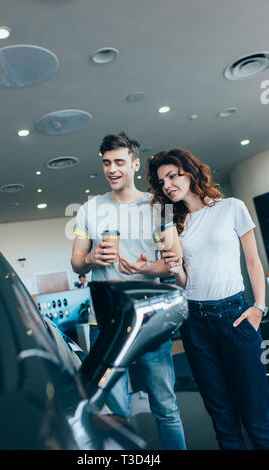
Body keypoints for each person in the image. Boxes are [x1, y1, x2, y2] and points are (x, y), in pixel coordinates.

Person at [147, 147, 269, 450]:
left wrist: (259, 307)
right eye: (162, 182)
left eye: (172, 176)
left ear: (189, 172)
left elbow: (253, 262)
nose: (168, 185)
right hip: (196, 323)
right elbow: (187, 281)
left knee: (257, 416)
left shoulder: (231, 207)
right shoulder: (173, 224)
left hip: (236, 315)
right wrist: (175, 270)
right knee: (222, 419)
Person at [71, 132, 186, 450]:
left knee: (165, 408)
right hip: (105, 323)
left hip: (150, 318)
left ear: (135, 164)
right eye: (107, 162)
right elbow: (76, 262)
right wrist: (90, 258)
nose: (112, 169)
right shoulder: (89, 210)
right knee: (112, 413)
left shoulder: (159, 207)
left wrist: (147, 268)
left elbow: (173, 263)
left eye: (120, 162)